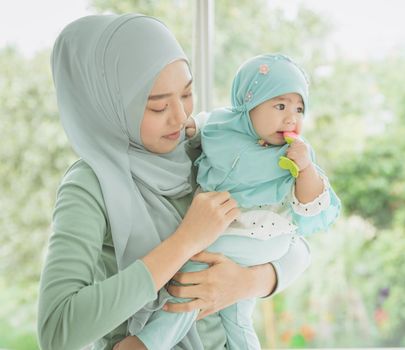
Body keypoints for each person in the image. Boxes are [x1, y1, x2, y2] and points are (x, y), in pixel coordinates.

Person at [37, 14, 313, 350]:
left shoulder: (205, 149)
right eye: (156, 107)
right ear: (110, 105)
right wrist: (185, 241)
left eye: (187, 94)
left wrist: (245, 282)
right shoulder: (90, 184)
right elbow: (57, 331)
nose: (181, 117)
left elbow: (294, 241)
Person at [120, 54, 341, 349]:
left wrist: (305, 169)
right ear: (249, 103)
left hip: (263, 236)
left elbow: (312, 203)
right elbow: (201, 124)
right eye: (280, 105)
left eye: (299, 108)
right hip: (227, 228)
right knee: (237, 315)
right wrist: (190, 129)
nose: (292, 117)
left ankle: (149, 342)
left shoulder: (293, 153)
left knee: (196, 269)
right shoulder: (222, 125)